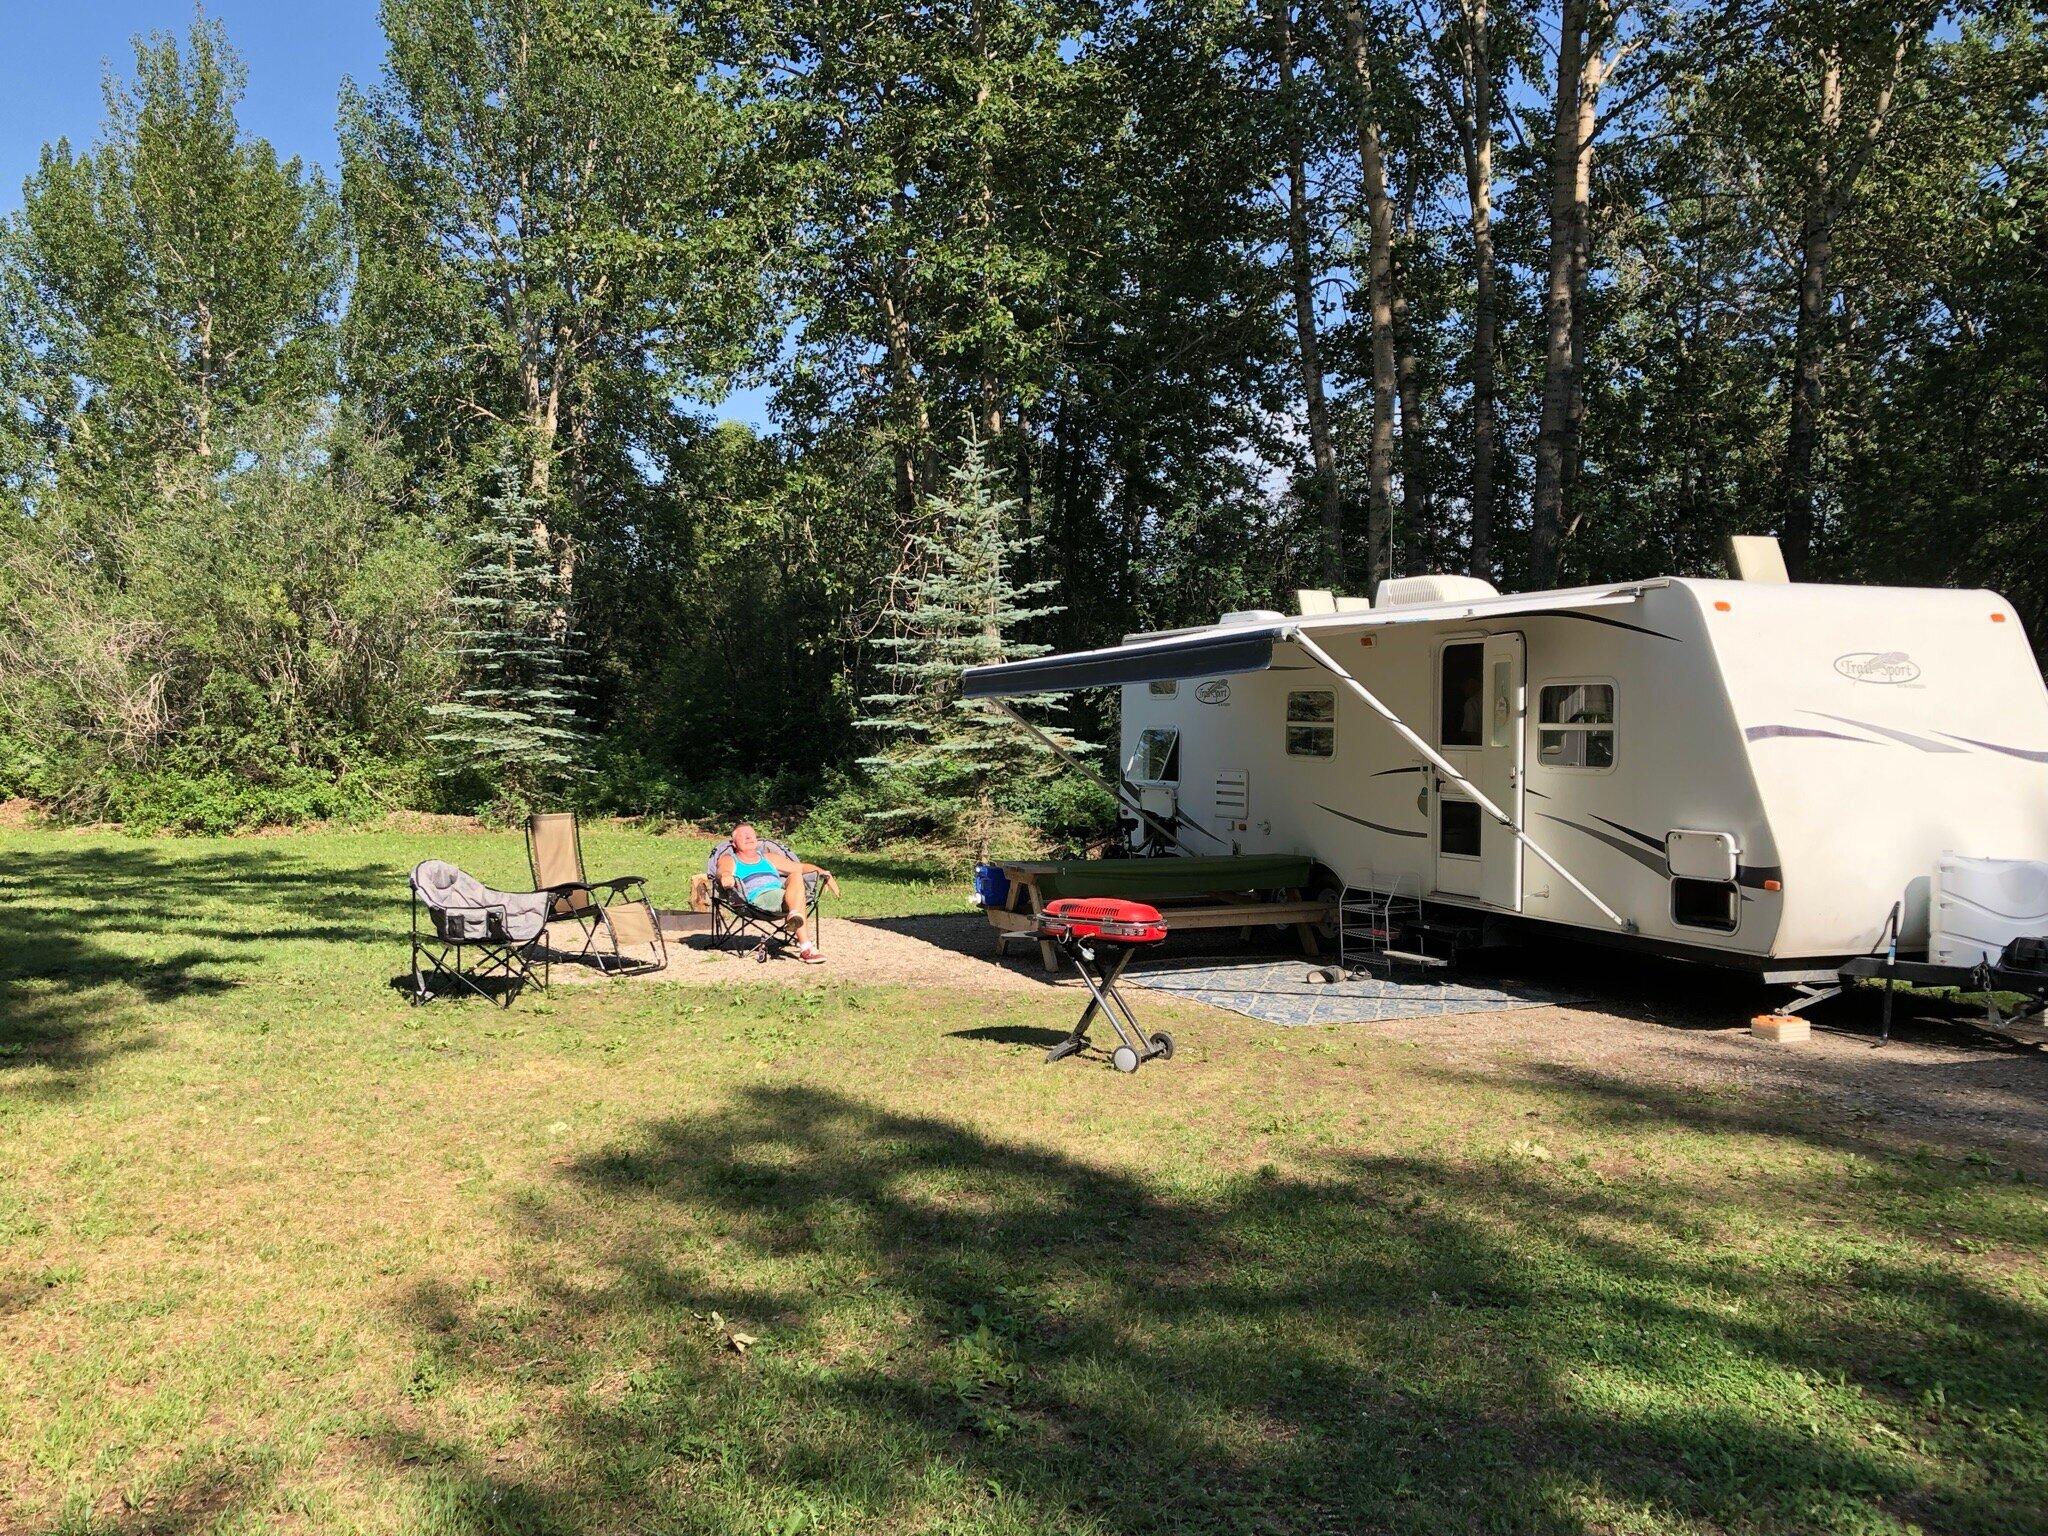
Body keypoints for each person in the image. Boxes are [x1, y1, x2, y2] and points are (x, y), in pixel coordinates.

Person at [716, 823, 832, 964]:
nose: (748, 837)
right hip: (757, 899)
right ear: (734, 843)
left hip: (783, 896)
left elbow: (801, 867)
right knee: (798, 897)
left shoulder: (768, 857)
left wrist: (825, 874)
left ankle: (794, 915)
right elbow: (724, 871)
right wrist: (726, 877)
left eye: (751, 835)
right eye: (742, 835)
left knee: (796, 875)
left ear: (757, 840)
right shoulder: (730, 859)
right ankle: (805, 947)